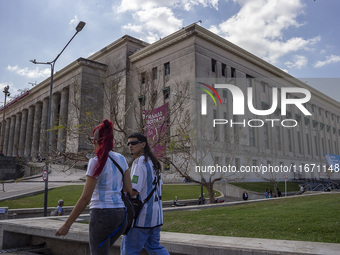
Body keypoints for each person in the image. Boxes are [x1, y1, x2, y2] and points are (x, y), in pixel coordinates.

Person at [55, 119, 132, 255]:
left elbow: (85, 198)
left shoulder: (95, 162)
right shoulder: (121, 159)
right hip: (120, 215)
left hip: (101, 215)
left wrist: (67, 225)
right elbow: (128, 189)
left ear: (95, 141)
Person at [121, 132, 169, 255]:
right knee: (155, 248)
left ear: (143, 144)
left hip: (140, 218)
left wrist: (119, 187)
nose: (130, 146)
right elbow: (161, 187)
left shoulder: (139, 163)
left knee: (128, 251)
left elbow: (133, 190)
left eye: (134, 143)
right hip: (156, 216)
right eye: (128, 143)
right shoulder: (154, 162)